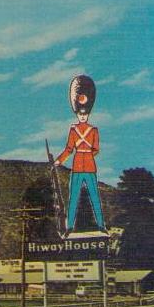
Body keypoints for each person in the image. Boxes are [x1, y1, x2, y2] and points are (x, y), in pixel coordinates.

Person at [54, 74, 106, 234]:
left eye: (85, 114)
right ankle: (69, 227)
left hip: (88, 166)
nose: (83, 116)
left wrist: (87, 155)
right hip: (77, 166)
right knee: (73, 197)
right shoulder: (73, 130)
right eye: (81, 114)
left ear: (87, 114)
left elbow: (96, 149)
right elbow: (69, 149)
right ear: (78, 114)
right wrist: (59, 161)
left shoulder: (93, 130)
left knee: (95, 198)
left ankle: (101, 226)